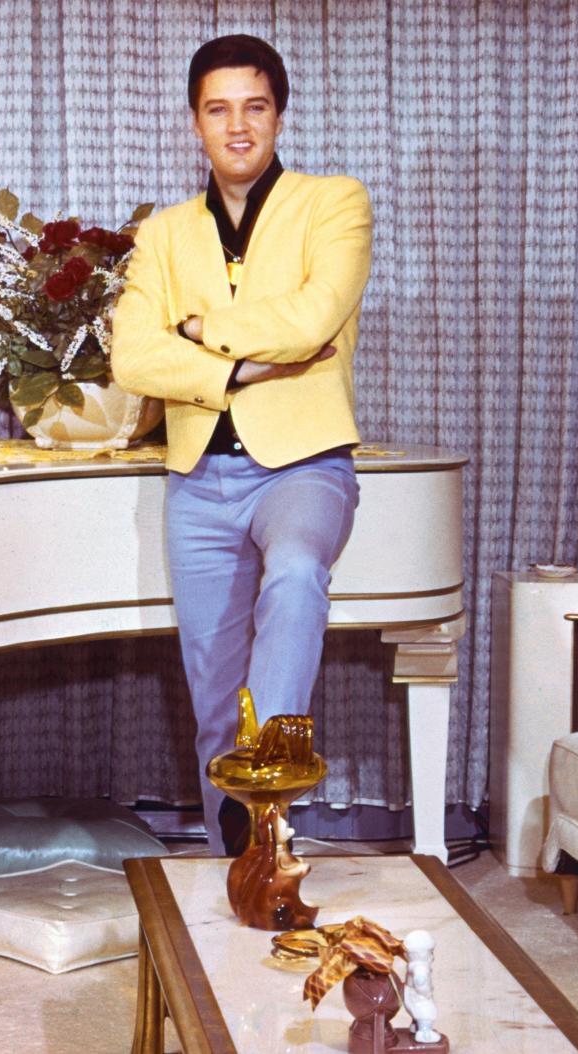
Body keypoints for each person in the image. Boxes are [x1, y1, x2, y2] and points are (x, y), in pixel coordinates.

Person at [111, 34, 372, 854]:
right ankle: (243, 865)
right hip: (198, 477)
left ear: (279, 116)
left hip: (303, 466)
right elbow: (130, 356)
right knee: (214, 699)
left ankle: (264, 784)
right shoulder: (163, 232)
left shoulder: (334, 203)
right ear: (195, 122)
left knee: (296, 573)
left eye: (253, 107)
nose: (237, 126)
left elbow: (311, 318)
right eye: (218, 109)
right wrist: (236, 374)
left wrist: (194, 328)